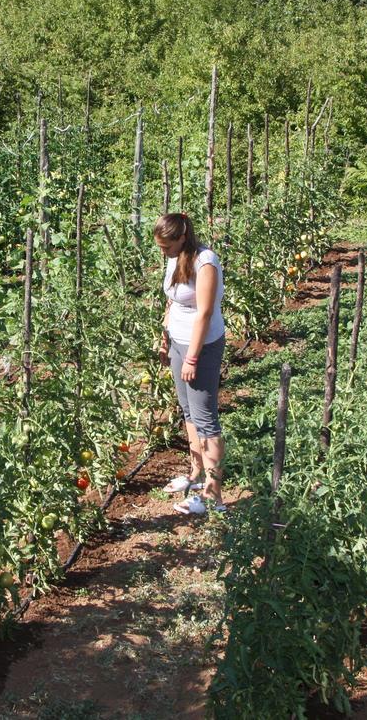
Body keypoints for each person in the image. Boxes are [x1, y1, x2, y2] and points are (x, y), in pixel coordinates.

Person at [153, 213, 226, 515]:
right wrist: (164, 335)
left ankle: (214, 496)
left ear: (182, 237)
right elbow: (172, 300)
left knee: (206, 419)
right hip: (178, 342)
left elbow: (205, 313)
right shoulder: (175, 257)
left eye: (166, 247)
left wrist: (192, 358)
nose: (163, 252)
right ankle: (195, 475)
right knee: (188, 412)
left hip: (203, 346)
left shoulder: (204, 261)